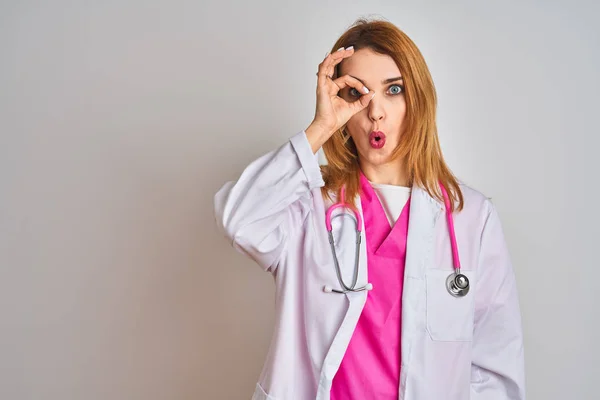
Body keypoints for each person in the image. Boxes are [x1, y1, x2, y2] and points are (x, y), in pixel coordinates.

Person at [214, 18, 525, 400]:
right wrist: (320, 127)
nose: (375, 112)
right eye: (356, 95)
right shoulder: (307, 204)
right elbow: (239, 220)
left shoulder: (470, 217)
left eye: (393, 89)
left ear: (418, 99)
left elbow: (495, 369)